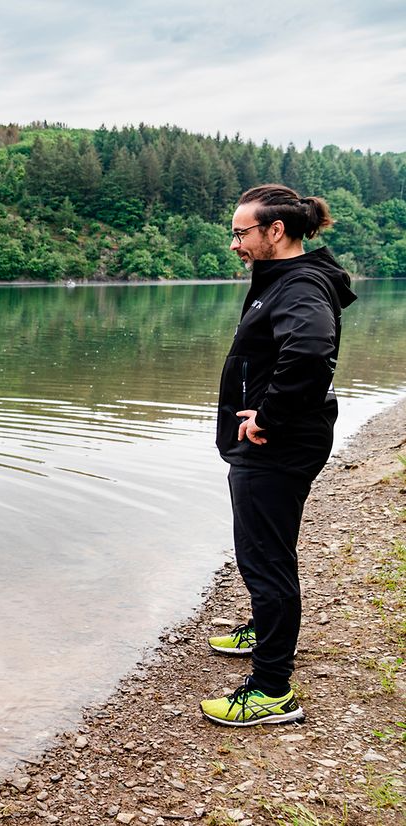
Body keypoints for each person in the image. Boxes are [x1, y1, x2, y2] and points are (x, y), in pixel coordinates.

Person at [200, 184, 357, 727]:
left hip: (276, 443)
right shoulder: (286, 281)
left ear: (275, 231)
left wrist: (267, 416)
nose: (235, 244)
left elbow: (311, 352)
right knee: (270, 549)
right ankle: (267, 633)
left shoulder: (299, 286)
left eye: (242, 233)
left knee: (263, 557)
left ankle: (272, 691)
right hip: (284, 440)